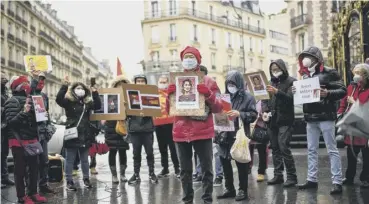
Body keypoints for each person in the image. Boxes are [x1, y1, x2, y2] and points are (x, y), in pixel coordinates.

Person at [166, 46, 223, 204]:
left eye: (192, 56)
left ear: (198, 59)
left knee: (206, 169)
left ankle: (206, 200)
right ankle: (187, 200)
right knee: (185, 171)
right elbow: (168, 110)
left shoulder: (209, 81)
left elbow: (219, 107)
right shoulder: (176, 81)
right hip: (180, 132)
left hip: (202, 131)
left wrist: (208, 94)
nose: (188, 59)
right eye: (186, 56)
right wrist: (169, 95)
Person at [294, 46, 346, 194]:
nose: (306, 59)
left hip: (326, 117)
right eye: (304, 56)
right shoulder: (304, 75)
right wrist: (295, 92)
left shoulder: (330, 72)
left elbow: (342, 90)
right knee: (311, 149)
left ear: (317, 58)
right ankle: (312, 179)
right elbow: (303, 96)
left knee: (332, 149)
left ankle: (337, 181)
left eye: (309, 56)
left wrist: (327, 93)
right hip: (310, 118)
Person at [4, 75, 47, 203]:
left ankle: (33, 192)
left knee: (34, 169)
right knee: (20, 171)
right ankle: (22, 197)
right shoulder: (11, 101)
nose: (28, 85)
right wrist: (24, 112)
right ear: (19, 87)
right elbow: (11, 123)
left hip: (32, 138)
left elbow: (36, 120)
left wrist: (42, 115)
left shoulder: (33, 99)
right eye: (25, 83)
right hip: (18, 141)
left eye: (29, 82)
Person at [216, 70, 257, 201]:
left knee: (241, 163)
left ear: (239, 83)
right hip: (224, 134)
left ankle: (242, 190)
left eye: (233, 84)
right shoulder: (223, 97)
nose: (231, 87)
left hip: (239, 135)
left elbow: (253, 115)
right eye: (229, 84)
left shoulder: (248, 97)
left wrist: (240, 114)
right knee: (225, 162)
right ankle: (229, 188)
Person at [56, 76, 101, 191]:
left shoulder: (87, 103)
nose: (80, 90)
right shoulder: (68, 102)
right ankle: (69, 181)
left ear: (85, 91)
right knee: (70, 159)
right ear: (73, 90)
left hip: (85, 134)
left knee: (85, 159)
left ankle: (86, 179)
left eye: (82, 88)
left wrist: (95, 92)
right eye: (77, 88)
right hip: (72, 134)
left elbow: (98, 106)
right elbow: (59, 99)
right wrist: (64, 86)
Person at [262, 59, 298, 187]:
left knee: (284, 147)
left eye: (277, 68)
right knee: (275, 148)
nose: (275, 71)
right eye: (272, 69)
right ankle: (278, 175)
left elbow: (291, 99)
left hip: (285, 120)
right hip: (272, 120)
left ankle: (292, 176)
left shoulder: (291, 81)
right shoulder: (270, 82)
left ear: (283, 68)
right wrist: (265, 111)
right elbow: (264, 99)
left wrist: (277, 92)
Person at [337, 63, 369, 189]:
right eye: (354, 73)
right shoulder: (351, 87)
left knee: (366, 155)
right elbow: (344, 101)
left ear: (365, 75)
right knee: (351, 154)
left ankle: (365, 178)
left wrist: (354, 102)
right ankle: (349, 176)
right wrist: (340, 111)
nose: (355, 76)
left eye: (358, 73)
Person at [127, 75, 158, 185]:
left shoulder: (150, 94)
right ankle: (136, 175)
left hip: (147, 128)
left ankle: (151, 173)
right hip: (135, 129)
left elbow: (155, 110)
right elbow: (126, 113)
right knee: (136, 154)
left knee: (149, 153)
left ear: (146, 83)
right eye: (138, 81)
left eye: (142, 81)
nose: (140, 83)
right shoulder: (129, 95)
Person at [29, 70, 55, 194]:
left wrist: (49, 126)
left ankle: (44, 184)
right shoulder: (30, 92)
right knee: (33, 162)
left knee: (44, 160)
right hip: (33, 132)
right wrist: (33, 78)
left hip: (43, 132)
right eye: (40, 79)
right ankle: (31, 188)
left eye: (44, 79)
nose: (42, 81)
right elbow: (31, 90)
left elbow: (46, 112)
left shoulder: (44, 96)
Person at [105, 75, 131, 184]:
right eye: (118, 85)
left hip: (123, 127)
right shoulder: (109, 98)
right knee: (112, 151)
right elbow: (105, 111)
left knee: (123, 151)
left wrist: (126, 108)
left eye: (123, 85)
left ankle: (123, 174)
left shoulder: (129, 98)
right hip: (111, 128)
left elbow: (131, 114)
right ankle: (114, 175)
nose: (121, 87)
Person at [154, 75, 180, 178]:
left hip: (170, 123)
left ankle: (177, 168)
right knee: (162, 148)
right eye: (161, 82)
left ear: (168, 83)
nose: (162, 83)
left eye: (164, 82)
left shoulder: (172, 93)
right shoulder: (154, 94)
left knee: (173, 147)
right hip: (158, 123)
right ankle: (165, 168)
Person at [1, 71, 15, 189]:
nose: (4, 80)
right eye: (2, 78)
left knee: (4, 153)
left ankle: (4, 177)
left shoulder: (5, 92)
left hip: (5, 127)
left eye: (5, 78)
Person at [249, 100, 268, 182]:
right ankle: (248, 167)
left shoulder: (263, 99)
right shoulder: (247, 96)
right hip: (249, 127)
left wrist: (263, 114)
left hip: (260, 127)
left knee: (262, 150)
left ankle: (261, 172)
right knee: (248, 149)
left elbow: (267, 112)